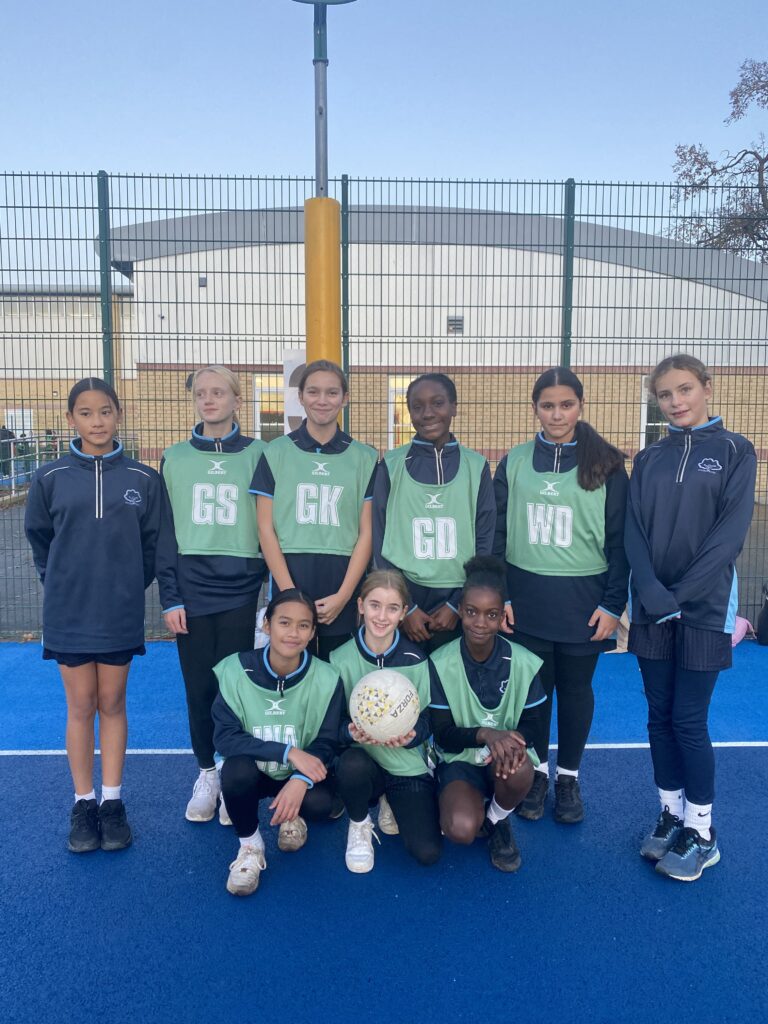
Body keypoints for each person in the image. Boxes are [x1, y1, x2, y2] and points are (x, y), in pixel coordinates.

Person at [625, 354, 756, 882]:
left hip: (703, 607)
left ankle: (703, 832)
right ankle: (671, 815)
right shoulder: (649, 456)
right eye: (664, 395)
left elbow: (729, 537)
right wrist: (652, 591)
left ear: (706, 387)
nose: (676, 402)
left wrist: (678, 594)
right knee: (658, 716)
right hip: (652, 607)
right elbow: (633, 530)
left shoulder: (735, 451)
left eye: (684, 390)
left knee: (688, 721)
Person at [24, 377, 161, 853]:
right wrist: (60, 581)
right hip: (68, 612)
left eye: (105, 411)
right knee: (80, 706)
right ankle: (83, 803)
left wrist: (125, 587)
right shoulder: (48, 478)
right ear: (70, 420)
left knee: (113, 703)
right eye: (86, 413)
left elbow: (151, 545)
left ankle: (112, 802)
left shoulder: (144, 479)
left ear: (118, 415)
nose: (97, 421)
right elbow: (41, 538)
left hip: (118, 613)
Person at [493, 367, 629, 824]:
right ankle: (537, 774)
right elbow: (496, 534)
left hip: (584, 602)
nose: (557, 414)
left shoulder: (607, 463)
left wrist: (613, 604)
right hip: (526, 600)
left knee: (574, 691)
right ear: (535, 408)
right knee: (534, 694)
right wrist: (503, 596)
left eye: (566, 404)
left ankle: (569, 778)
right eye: (547, 405)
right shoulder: (513, 461)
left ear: (580, 406)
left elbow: (619, 542)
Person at [156, 366, 267, 824]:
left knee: (237, 687)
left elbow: (272, 525)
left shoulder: (262, 453)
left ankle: (233, 770)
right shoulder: (175, 456)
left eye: (218, 392)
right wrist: (170, 595)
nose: (209, 400)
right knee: (199, 686)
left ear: (237, 400)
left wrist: (271, 593)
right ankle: (207, 773)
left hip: (243, 587)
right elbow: (164, 531)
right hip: (193, 588)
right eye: (201, 393)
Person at [212, 589, 345, 896]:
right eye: (284, 623)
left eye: (303, 625)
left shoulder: (327, 677)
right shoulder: (235, 670)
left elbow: (328, 741)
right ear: (266, 625)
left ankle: (294, 815)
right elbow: (224, 737)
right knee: (235, 772)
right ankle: (250, 846)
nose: (293, 633)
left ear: (312, 633)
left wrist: (300, 778)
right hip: (255, 772)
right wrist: (287, 752)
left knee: (321, 802)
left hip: (295, 775)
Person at [253, 360, 378, 660]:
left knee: (340, 674)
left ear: (344, 398)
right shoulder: (275, 452)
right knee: (294, 670)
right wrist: (290, 594)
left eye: (332, 392)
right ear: (301, 396)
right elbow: (265, 529)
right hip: (291, 576)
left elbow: (367, 532)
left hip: (342, 580)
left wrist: (346, 595)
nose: (322, 400)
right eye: (313, 392)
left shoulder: (366, 457)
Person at [430, 556, 546, 872]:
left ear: (500, 617)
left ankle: (497, 820)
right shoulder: (441, 662)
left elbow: (536, 723)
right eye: (471, 612)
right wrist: (485, 734)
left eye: (491, 614)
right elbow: (442, 733)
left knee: (520, 767)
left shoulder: (523, 662)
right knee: (460, 829)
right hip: (461, 760)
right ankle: (468, 804)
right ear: (460, 611)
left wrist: (512, 742)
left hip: (504, 760)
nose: (480, 622)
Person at [372, 373, 496, 653]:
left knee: (450, 689)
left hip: (458, 599)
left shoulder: (475, 466)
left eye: (437, 403)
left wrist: (458, 603)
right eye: (417, 406)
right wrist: (404, 606)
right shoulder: (391, 465)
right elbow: (378, 539)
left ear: (454, 406)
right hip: (405, 595)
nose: (427, 413)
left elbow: (485, 540)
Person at [331, 570, 442, 873]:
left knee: (428, 852)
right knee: (351, 765)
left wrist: (414, 734)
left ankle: (389, 800)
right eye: (375, 605)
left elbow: (432, 718)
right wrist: (349, 732)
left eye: (392, 608)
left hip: (404, 762)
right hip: (362, 761)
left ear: (404, 613)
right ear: (360, 606)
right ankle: (358, 824)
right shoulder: (339, 660)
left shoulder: (416, 660)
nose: (382, 616)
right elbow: (330, 726)